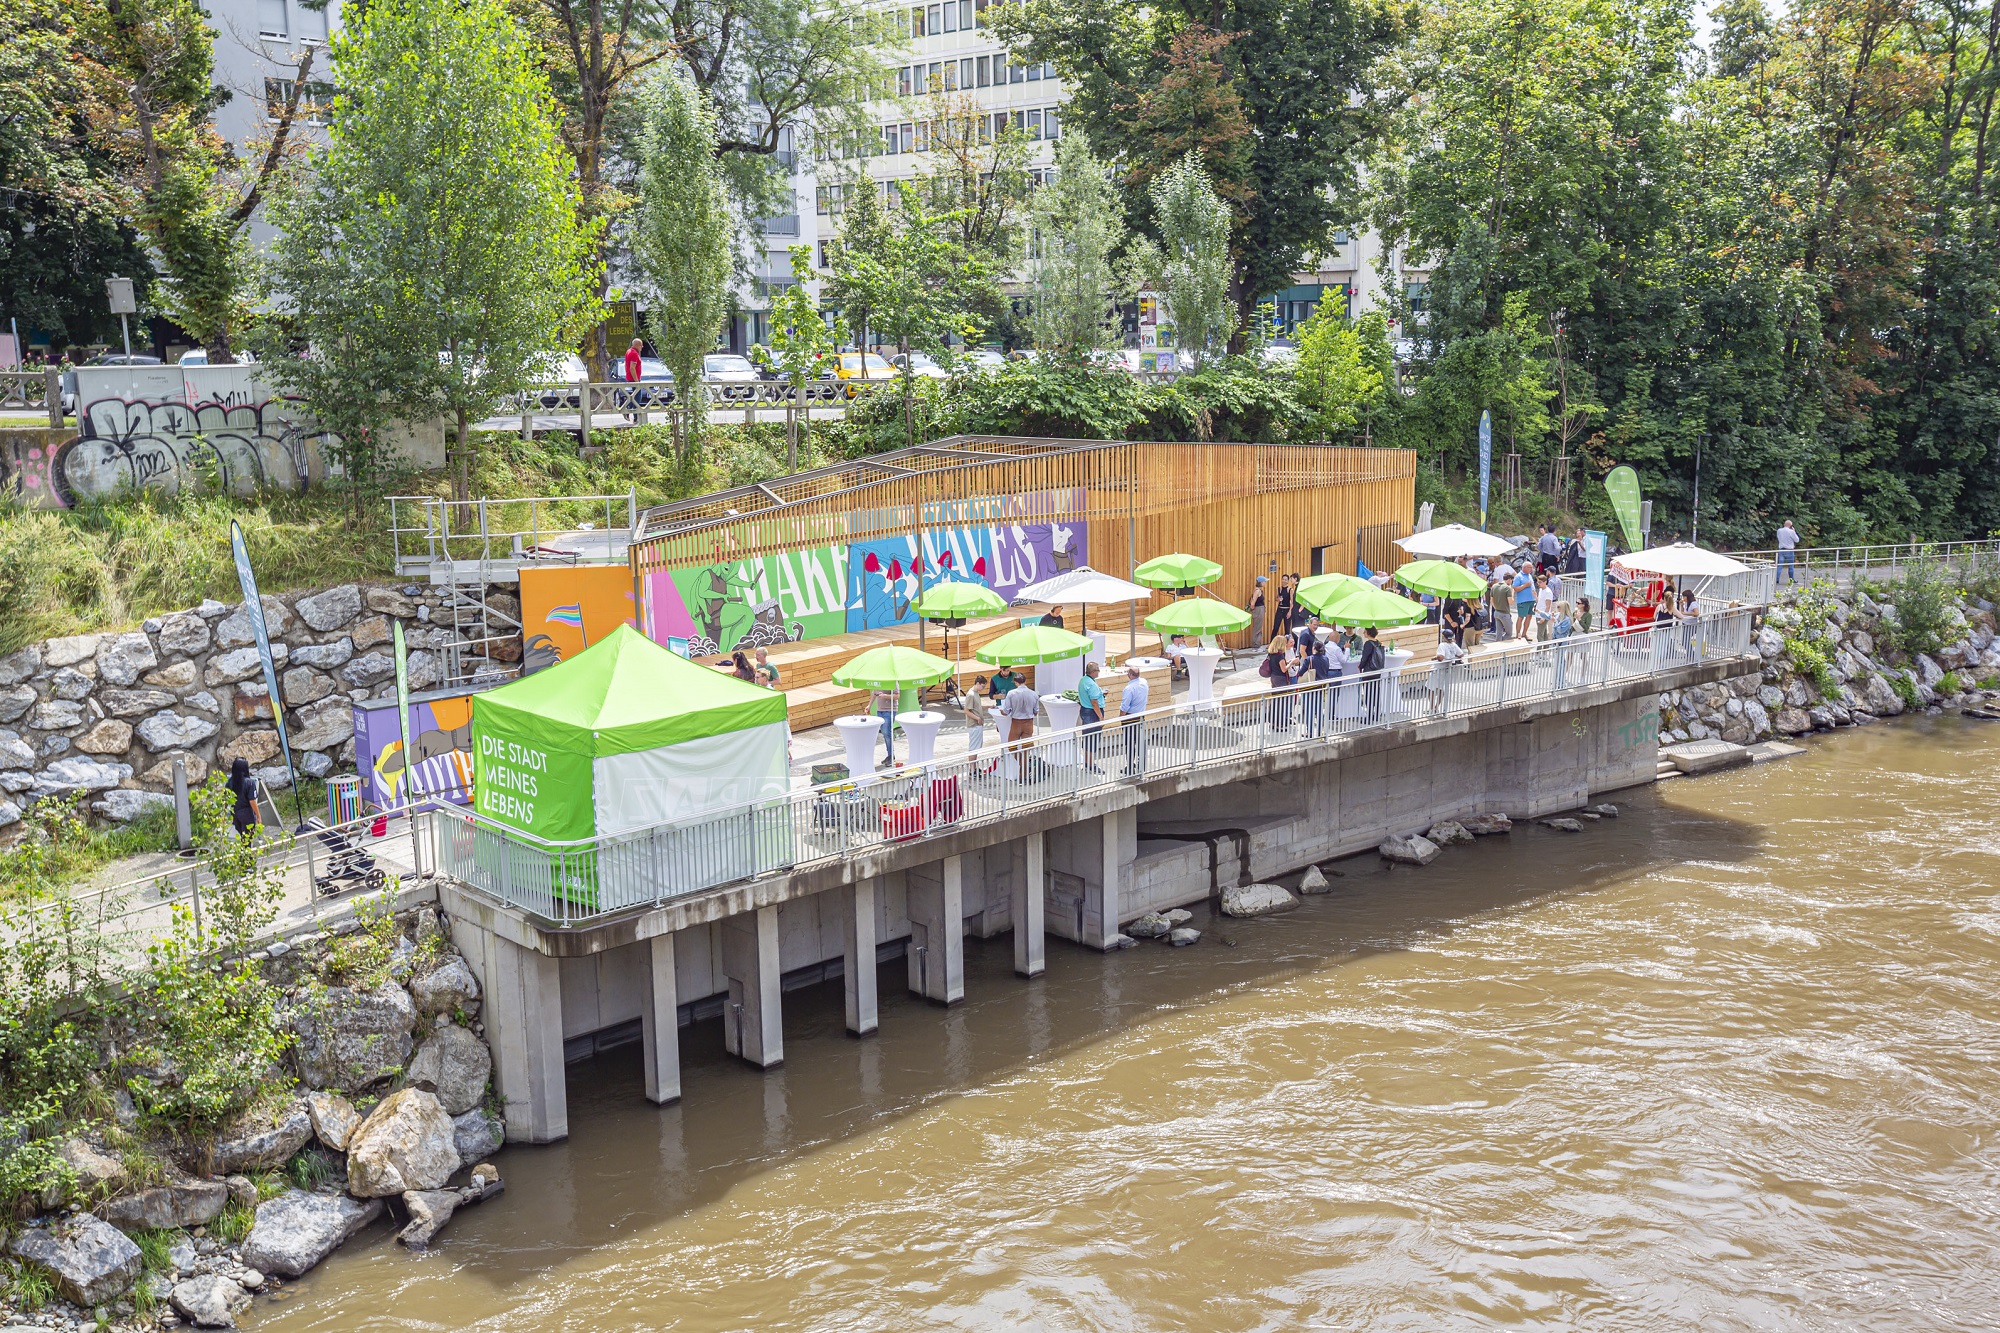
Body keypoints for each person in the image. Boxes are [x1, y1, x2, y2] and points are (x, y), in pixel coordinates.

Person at [998, 671, 1041, 772]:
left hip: (1016, 723)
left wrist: (1002, 711)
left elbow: (1006, 711)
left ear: (1016, 683)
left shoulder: (1011, 693)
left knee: (1012, 746)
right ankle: (1024, 769)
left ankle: (1022, 765)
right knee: (1026, 749)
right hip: (1028, 723)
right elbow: (1036, 711)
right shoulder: (1034, 694)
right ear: (1025, 681)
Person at [1119, 662, 1149, 774]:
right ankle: (1142, 765)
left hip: (1130, 718)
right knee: (1140, 741)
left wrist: (1121, 719)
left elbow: (1124, 707)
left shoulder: (1129, 688)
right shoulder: (1144, 682)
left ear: (1130, 675)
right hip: (1141, 716)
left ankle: (1130, 766)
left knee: (1130, 743)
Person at [1077, 661, 1107, 770]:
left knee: (1087, 737)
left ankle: (1087, 763)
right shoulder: (1092, 684)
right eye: (1098, 670)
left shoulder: (1083, 680)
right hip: (1092, 714)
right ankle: (1090, 765)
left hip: (1085, 711)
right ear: (1093, 672)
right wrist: (1101, 717)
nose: (1099, 672)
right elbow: (1094, 703)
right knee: (1093, 739)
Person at [1358, 626, 1387, 718]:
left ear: (1368, 633)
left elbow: (1365, 657)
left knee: (1368, 693)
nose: (1364, 634)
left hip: (1369, 671)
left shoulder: (1368, 644)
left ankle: (1370, 714)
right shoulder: (1378, 643)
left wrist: (1361, 666)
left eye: (1365, 632)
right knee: (1376, 692)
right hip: (1377, 670)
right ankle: (1377, 713)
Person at [226, 757, 256, 836]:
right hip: (247, 814)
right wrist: (258, 815)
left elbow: (225, 800)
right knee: (247, 839)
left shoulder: (230, 782)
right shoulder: (250, 783)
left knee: (242, 837)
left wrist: (223, 814)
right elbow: (252, 801)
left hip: (235, 814)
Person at [962, 675, 991, 757]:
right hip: (974, 724)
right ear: (977, 683)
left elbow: (977, 707)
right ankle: (972, 769)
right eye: (982, 686)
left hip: (977, 724)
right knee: (973, 748)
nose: (983, 688)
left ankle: (973, 767)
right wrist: (977, 718)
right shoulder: (971, 695)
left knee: (976, 747)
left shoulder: (976, 693)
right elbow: (966, 711)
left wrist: (988, 707)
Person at [871, 687, 898, 765]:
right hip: (880, 710)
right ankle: (890, 755)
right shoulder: (878, 680)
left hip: (890, 710)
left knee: (886, 733)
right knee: (884, 733)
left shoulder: (893, 681)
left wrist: (884, 696)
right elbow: (874, 692)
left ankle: (891, 755)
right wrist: (869, 705)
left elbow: (897, 696)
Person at [1512, 566, 1536, 639]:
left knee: (1529, 617)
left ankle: (1524, 633)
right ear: (1524, 568)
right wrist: (1525, 585)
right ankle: (1518, 633)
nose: (1531, 569)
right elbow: (1515, 588)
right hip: (1523, 600)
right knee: (1521, 617)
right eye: (1530, 567)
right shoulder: (1518, 576)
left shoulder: (1529, 575)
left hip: (1531, 599)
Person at [1534, 573, 1555, 642]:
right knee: (1544, 633)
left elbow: (1548, 606)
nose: (1538, 584)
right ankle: (1546, 648)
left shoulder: (1548, 592)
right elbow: (1539, 601)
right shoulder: (1541, 590)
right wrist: (1535, 596)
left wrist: (1543, 617)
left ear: (1545, 582)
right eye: (1537, 582)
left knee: (1539, 635)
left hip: (1542, 615)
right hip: (1538, 613)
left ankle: (1539, 651)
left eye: (1540, 582)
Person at [1777, 519, 1799, 584]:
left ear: (1784, 524)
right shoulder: (1791, 532)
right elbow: (1797, 540)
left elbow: (1778, 538)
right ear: (1790, 526)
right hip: (1789, 550)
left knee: (1780, 565)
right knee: (1791, 566)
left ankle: (1776, 579)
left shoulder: (1779, 530)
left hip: (1781, 549)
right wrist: (1794, 531)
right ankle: (1791, 579)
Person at [1248, 575, 1268, 647]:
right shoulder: (1257, 591)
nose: (1265, 583)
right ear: (1261, 582)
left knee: (1258, 627)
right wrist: (1253, 609)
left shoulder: (1258, 590)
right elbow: (1253, 603)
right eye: (1264, 582)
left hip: (1260, 609)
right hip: (1258, 609)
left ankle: (1257, 643)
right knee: (1257, 627)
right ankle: (1256, 644)